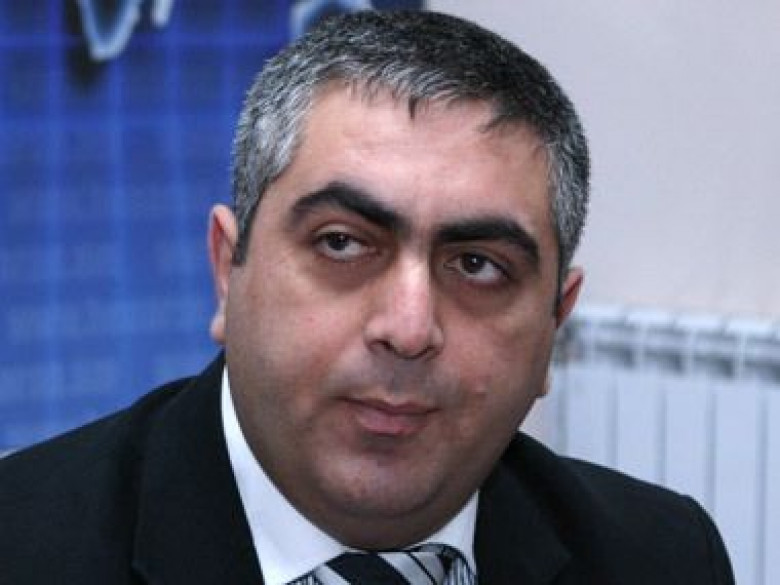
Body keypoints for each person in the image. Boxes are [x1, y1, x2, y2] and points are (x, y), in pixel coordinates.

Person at [0, 10, 734, 585]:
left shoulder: (663, 558)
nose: (409, 328)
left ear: (554, 325)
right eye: (342, 244)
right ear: (228, 269)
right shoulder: (24, 547)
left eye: (477, 265)